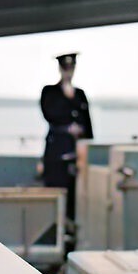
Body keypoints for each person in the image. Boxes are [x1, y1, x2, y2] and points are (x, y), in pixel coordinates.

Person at [40, 52, 94, 232]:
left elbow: (88, 126)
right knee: (55, 192)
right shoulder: (50, 92)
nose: (69, 71)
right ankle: (55, 231)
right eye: (66, 67)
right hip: (56, 154)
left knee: (76, 199)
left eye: (71, 67)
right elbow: (50, 114)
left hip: (76, 154)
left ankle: (72, 235)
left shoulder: (80, 94)